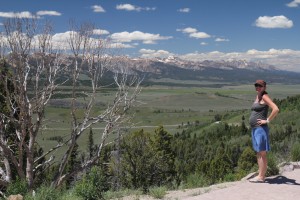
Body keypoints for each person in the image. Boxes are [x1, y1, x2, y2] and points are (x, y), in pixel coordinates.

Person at [249, 80, 279, 183]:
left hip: (260, 129)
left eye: (260, 86)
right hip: (255, 129)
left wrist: (267, 120)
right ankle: (260, 175)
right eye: (256, 85)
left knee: (262, 153)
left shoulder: (264, 96)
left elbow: (275, 109)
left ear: (264, 87)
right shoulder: (258, 96)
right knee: (259, 152)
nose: (258, 87)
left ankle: (261, 177)